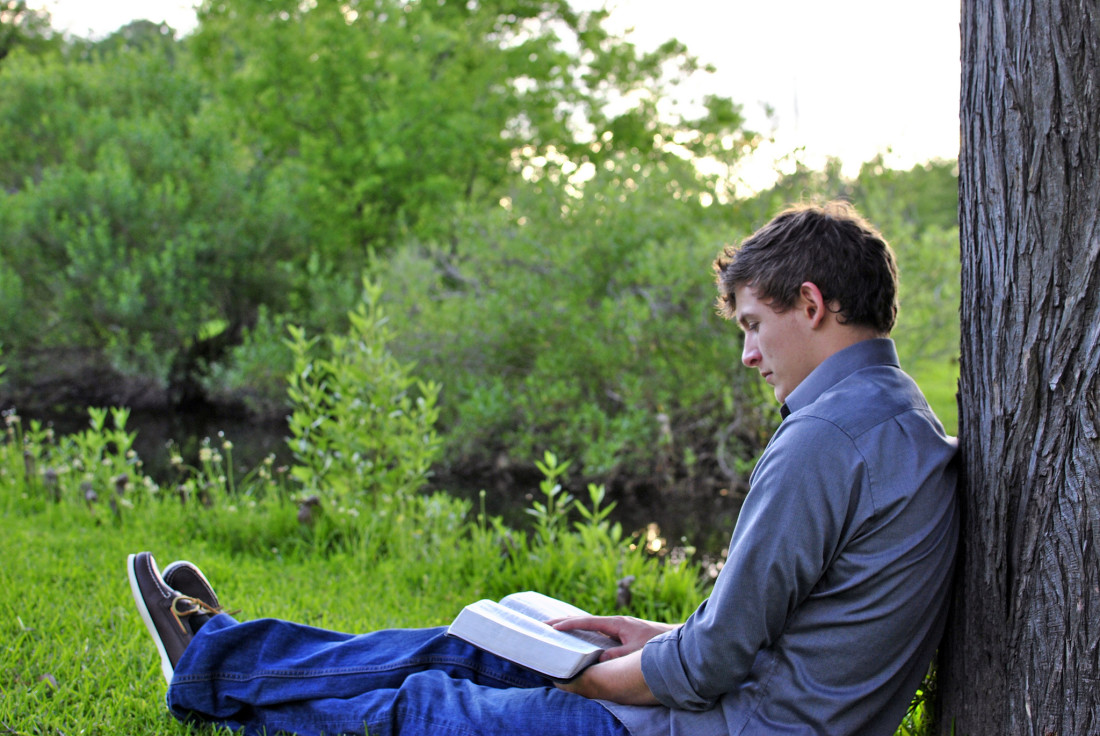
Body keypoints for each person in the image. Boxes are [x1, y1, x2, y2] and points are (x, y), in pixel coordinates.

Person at [128, 200, 959, 736]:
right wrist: (653, 637)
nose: (746, 354)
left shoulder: (825, 438)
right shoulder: (897, 416)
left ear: (811, 305)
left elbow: (713, 670)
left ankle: (210, 675)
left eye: (752, 324)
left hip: (728, 728)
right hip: (749, 705)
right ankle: (217, 651)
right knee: (469, 648)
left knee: (428, 708)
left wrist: (593, 681)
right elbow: (773, 633)